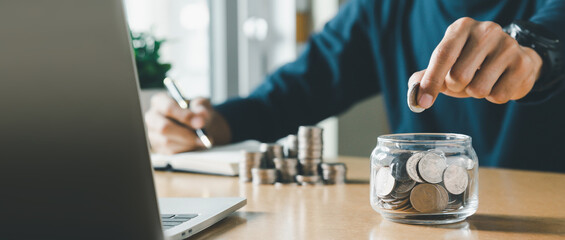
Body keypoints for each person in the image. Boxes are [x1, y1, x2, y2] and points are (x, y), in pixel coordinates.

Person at [144, 0, 565, 172]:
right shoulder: (382, 7)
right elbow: (292, 93)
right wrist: (211, 123)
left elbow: (550, 34)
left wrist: (531, 51)